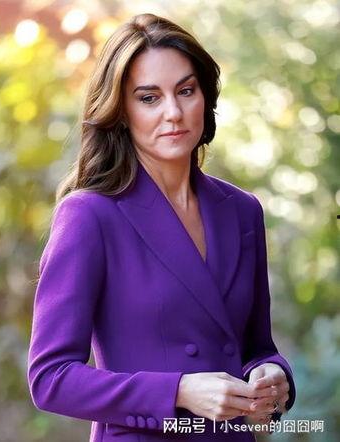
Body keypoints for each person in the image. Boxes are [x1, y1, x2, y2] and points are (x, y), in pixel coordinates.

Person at [26, 13, 296, 441]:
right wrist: (179, 391)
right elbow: (50, 379)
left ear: (205, 97)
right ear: (121, 111)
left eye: (186, 91)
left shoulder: (242, 211)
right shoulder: (89, 215)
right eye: (149, 98)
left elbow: (255, 347)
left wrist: (273, 375)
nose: (174, 112)